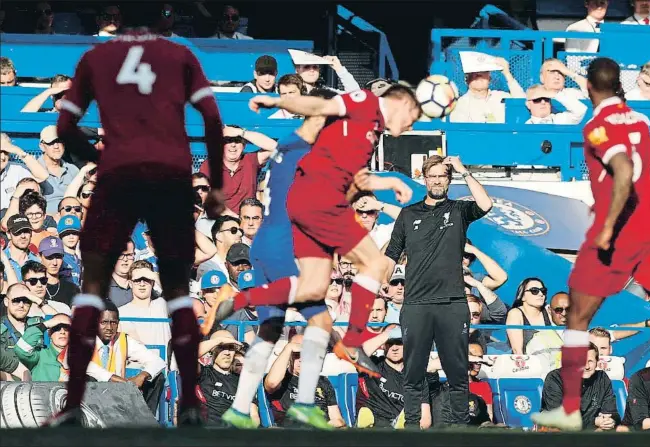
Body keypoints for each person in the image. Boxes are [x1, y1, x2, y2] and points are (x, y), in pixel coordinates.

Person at [50, 26, 225, 426]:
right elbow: (213, 118)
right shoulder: (180, 55)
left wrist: (98, 155)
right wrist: (215, 185)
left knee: (93, 289)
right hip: (169, 176)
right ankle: (191, 406)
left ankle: (73, 404)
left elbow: (63, 128)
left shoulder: (97, 57)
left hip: (120, 175)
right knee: (178, 291)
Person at [205, 86, 421, 374]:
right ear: (401, 103)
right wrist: (276, 100)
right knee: (376, 262)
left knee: (312, 288)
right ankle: (354, 341)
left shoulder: (370, 131)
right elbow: (320, 106)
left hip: (314, 202)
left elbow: (356, 177)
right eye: (413, 117)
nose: (411, 125)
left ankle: (239, 299)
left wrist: (389, 183)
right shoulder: (365, 103)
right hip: (319, 199)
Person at [531, 57, 650, 431]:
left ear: (589, 87)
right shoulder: (638, 119)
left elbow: (620, 170)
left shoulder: (597, 126)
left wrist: (607, 223)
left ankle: (567, 408)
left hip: (618, 232)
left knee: (577, 316)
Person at [215, 89, 379, 430]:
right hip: (280, 245)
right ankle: (305, 402)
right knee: (320, 321)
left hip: (263, 243)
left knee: (271, 330)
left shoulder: (288, 144)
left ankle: (240, 408)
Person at [384, 154, 492, 428]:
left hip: (453, 304)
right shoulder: (409, 214)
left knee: (457, 373)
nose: (436, 181)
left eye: (442, 176)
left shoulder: (458, 210)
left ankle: (459, 430)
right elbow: (392, 253)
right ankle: (412, 427)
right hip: (417, 304)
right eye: (432, 176)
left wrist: (462, 169)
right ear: (424, 179)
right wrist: (380, 283)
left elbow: (485, 204)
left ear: (448, 180)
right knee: (413, 373)